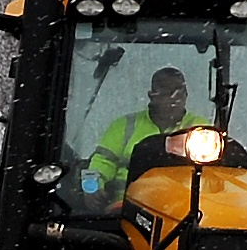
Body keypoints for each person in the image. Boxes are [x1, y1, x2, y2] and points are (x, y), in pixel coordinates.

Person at [73, 65, 209, 210]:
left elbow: (212, 174)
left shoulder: (202, 131)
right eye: (167, 93)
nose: (175, 99)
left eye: (180, 92)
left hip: (182, 208)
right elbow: (102, 162)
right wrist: (93, 188)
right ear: (152, 96)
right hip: (125, 207)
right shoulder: (124, 126)